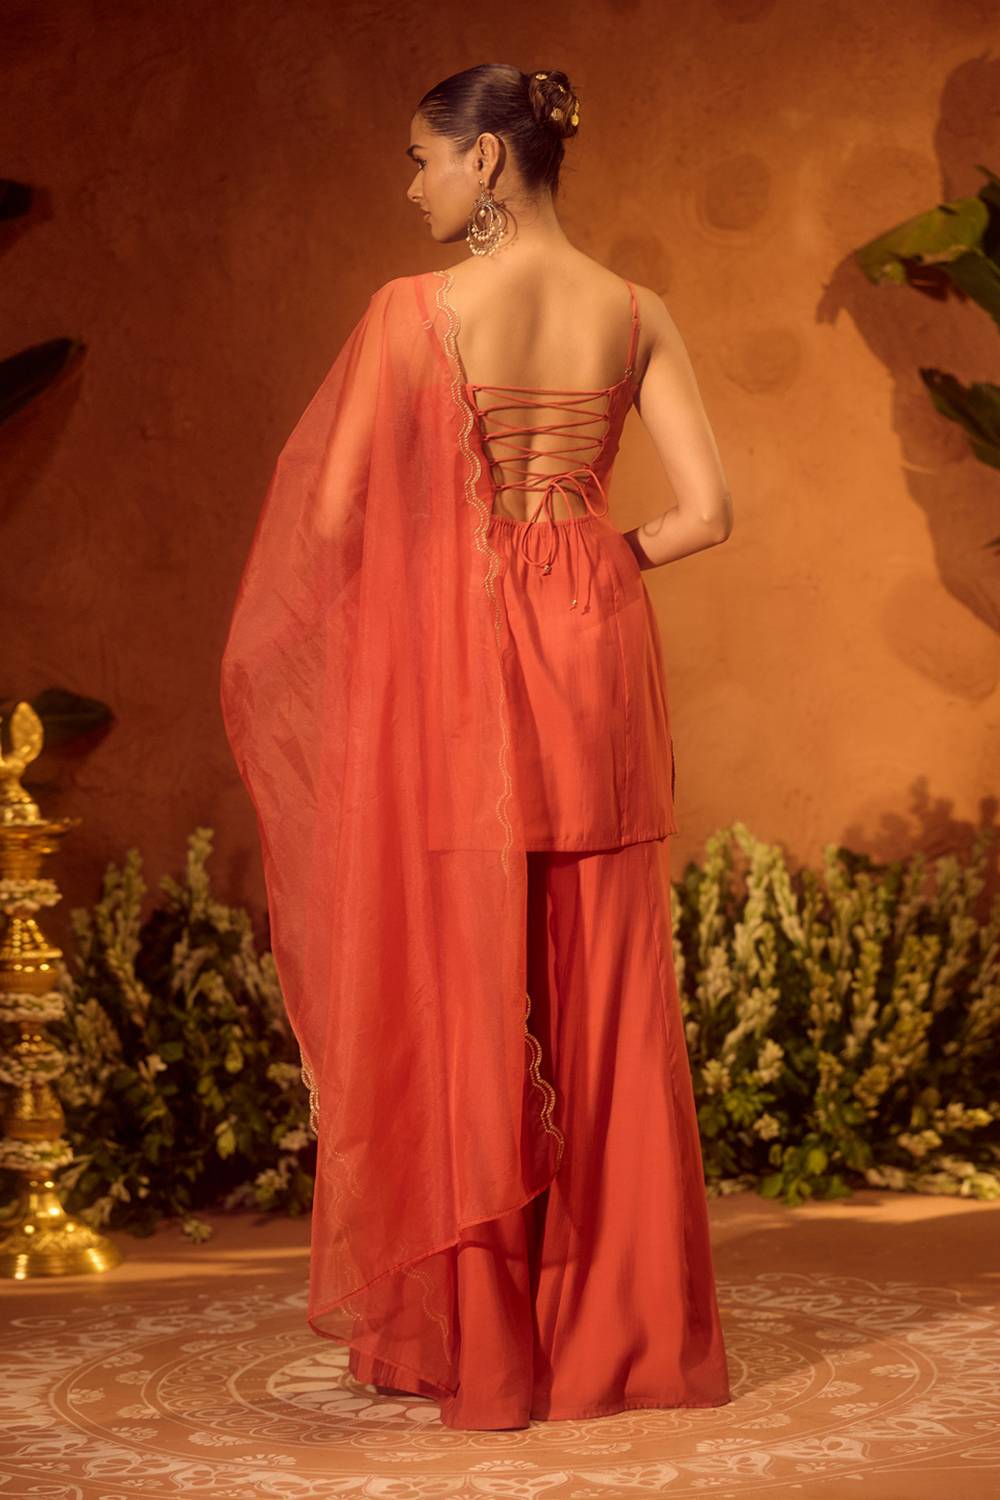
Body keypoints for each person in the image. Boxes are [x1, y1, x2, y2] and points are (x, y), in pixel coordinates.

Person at [220, 61, 734, 1432]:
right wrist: (590, 558)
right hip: (599, 658)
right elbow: (707, 515)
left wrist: (463, 571)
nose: (413, 186)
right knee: (608, 986)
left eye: (423, 157)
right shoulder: (637, 310)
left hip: (468, 678)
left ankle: (493, 1354)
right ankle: (626, 1342)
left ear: (488, 159)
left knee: (468, 983)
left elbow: (333, 521)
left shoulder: (412, 314)